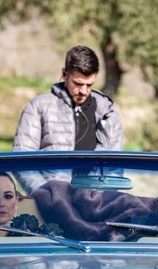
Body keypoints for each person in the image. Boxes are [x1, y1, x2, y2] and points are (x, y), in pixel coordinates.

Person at [12, 45, 123, 193]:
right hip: (49, 205)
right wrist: (47, 195)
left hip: (95, 207)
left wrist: (102, 201)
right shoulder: (38, 107)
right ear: (64, 74)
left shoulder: (108, 115)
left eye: (89, 85)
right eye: (77, 83)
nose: (83, 91)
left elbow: (115, 169)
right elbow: (21, 160)